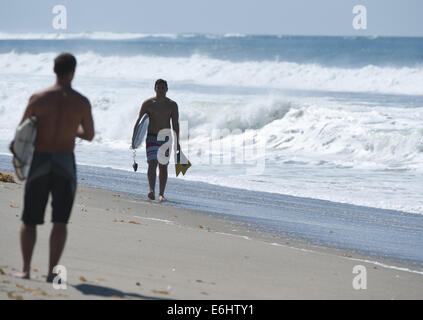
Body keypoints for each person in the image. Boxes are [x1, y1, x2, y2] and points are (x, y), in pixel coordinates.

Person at [15, 53, 95, 282]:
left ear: (54, 70)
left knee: (30, 219)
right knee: (60, 220)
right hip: (64, 163)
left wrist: (19, 161)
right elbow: (88, 134)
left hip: (40, 160)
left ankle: (26, 270)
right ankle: (51, 273)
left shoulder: (39, 98)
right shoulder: (81, 102)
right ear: (73, 72)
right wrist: (71, 131)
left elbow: (23, 131)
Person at [132, 79, 180, 202]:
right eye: (159, 88)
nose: (161, 90)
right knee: (152, 163)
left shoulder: (172, 105)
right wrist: (134, 140)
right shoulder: (148, 103)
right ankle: (151, 190)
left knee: (163, 166)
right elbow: (139, 121)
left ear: (167, 89)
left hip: (166, 138)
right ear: (155, 88)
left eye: (163, 88)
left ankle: (161, 194)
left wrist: (177, 142)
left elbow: (175, 124)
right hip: (152, 137)